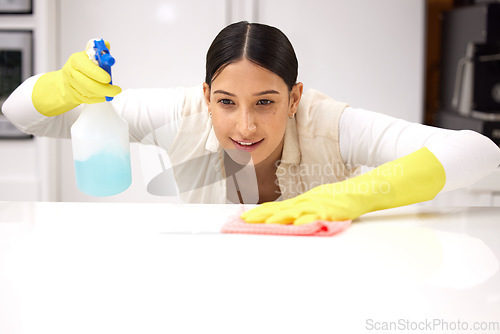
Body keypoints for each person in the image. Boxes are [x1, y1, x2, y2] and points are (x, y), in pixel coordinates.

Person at [3, 21, 500, 225]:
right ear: (205, 97)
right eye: (225, 102)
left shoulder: (328, 124)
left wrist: (354, 195)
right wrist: (63, 89)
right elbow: (20, 114)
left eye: (265, 102)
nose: (244, 125)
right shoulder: (180, 115)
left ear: (294, 98)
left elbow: (480, 150)